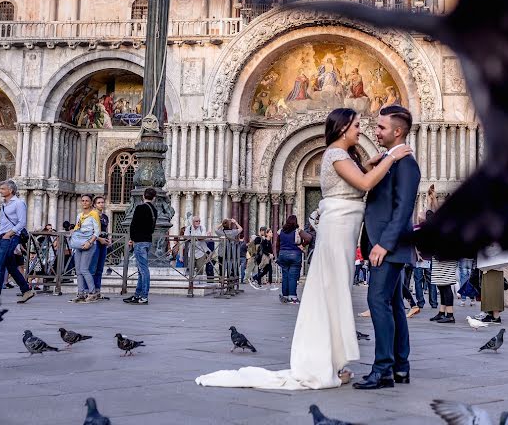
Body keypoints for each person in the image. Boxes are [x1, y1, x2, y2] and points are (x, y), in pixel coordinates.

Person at [196, 107, 411, 390]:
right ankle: (328, 363)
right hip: (337, 233)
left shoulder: (344, 156)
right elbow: (364, 183)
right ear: (344, 128)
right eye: (358, 125)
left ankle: (335, 362)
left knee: (336, 295)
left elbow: (360, 177)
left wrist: (377, 159)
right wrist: (391, 156)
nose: (363, 130)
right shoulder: (335, 154)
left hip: (344, 231)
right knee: (332, 294)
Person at [354, 105, 420, 390]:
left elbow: (403, 209)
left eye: (381, 127)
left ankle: (383, 370)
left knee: (377, 302)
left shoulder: (406, 164)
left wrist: (383, 243)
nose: (375, 131)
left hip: (388, 246)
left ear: (398, 132)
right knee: (392, 304)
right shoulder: (390, 161)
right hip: (383, 245)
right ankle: (400, 367)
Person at [0, 180, 35, 303]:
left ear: (10, 190)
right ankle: (26, 290)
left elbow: (22, 222)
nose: (0, 190)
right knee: (11, 267)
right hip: (2, 237)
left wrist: (9, 234)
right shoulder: (4, 204)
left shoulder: (19, 203)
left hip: (10, 238)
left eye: (2, 188)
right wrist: (2, 235)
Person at [124, 187, 157, 305]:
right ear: (154, 198)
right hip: (148, 241)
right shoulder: (154, 210)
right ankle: (138, 295)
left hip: (139, 242)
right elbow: (153, 227)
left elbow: (134, 225)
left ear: (143, 196)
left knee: (143, 269)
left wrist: (132, 239)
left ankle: (144, 296)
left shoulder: (139, 208)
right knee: (140, 270)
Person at [69, 195, 100, 303]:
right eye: (83, 201)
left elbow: (97, 231)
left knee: (84, 269)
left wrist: (89, 242)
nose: (84, 203)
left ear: (91, 202)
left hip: (89, 244)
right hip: (79, 244)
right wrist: (73, 231)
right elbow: (78, 228)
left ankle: (92, 293)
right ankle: (80, 293)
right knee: (78, 270)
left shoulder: (94, 214)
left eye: (87, 201)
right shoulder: (80, 215)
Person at [276, 215, 309, 303]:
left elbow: (277, 244)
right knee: (292, 276)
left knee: (285, 275)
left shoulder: (281, 231)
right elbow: (309, 238)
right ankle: (293, 297)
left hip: (283, 254)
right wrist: (303, 245)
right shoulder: (298, 231)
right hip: (295, 254)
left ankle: (285, 295)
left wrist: (278, 255)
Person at [90, 196, 111, 300]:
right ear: (94, 204)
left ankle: (97, 291)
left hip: (104, 243)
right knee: (92, 268)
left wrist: (108, 239)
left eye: (102, 202)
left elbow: (105, 229)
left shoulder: (105, 217)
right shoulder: (92, 216)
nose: (101, 204)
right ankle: (90, 290)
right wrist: (99, 239)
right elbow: (90, 232)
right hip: (95, 243)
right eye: (99, 202)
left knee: (100, 268)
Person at [430, 253, 458, 324]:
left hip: (445, 257)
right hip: (441, 257)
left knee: (445, 284)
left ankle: (450, 315)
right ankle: (442, 313)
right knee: (441, 285)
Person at [186, 216, 210, 280]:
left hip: (201, 251)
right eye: (197, 221)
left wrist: (193, 238)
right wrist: (197, 238)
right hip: (191, 251)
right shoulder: (189, 228)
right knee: (190, 268)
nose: (198, 222)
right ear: (193, 222)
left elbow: (203, 237)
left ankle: (199, 282)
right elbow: (186, 237)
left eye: (199, 221)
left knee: (200, 268)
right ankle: (190, 282)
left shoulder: (202, 228)